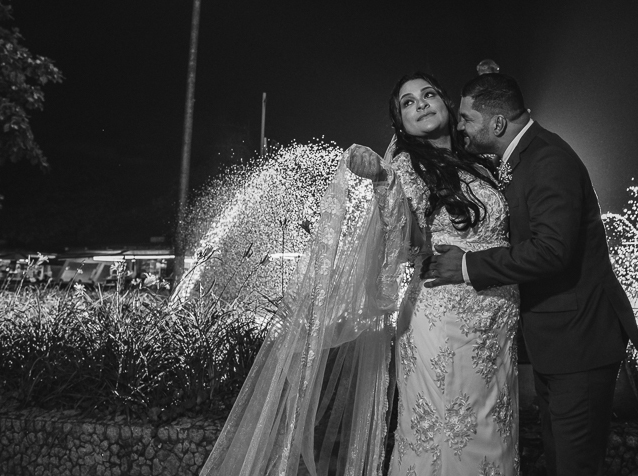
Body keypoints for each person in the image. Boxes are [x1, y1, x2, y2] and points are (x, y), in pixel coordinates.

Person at [200, 72, 519, 476]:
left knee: (495, 431)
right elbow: (407, 242)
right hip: (443, 321)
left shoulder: (482, 161)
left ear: (446, 103)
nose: (421, 104)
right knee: (445, 436)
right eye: (408, 103)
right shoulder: (406, 166)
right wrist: (384, 182)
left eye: (428, 95)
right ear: (401, 123)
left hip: (498, 323)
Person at [425, 72, 638, 476]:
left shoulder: (548, 159)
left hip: (579, 340)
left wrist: (469, 265)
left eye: (467, 119)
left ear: (498, 123)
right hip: (558, 342)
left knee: (575, 465)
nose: (460, 126)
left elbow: (551, 250)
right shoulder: (522, 157)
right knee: (561, 460)